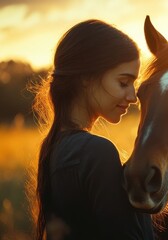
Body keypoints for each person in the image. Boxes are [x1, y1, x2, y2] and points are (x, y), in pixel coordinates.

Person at [32, 19, 154, 240]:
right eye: (124, 82)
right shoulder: (96, 152)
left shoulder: (54, 149)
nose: (133, 97)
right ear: (87, 77)